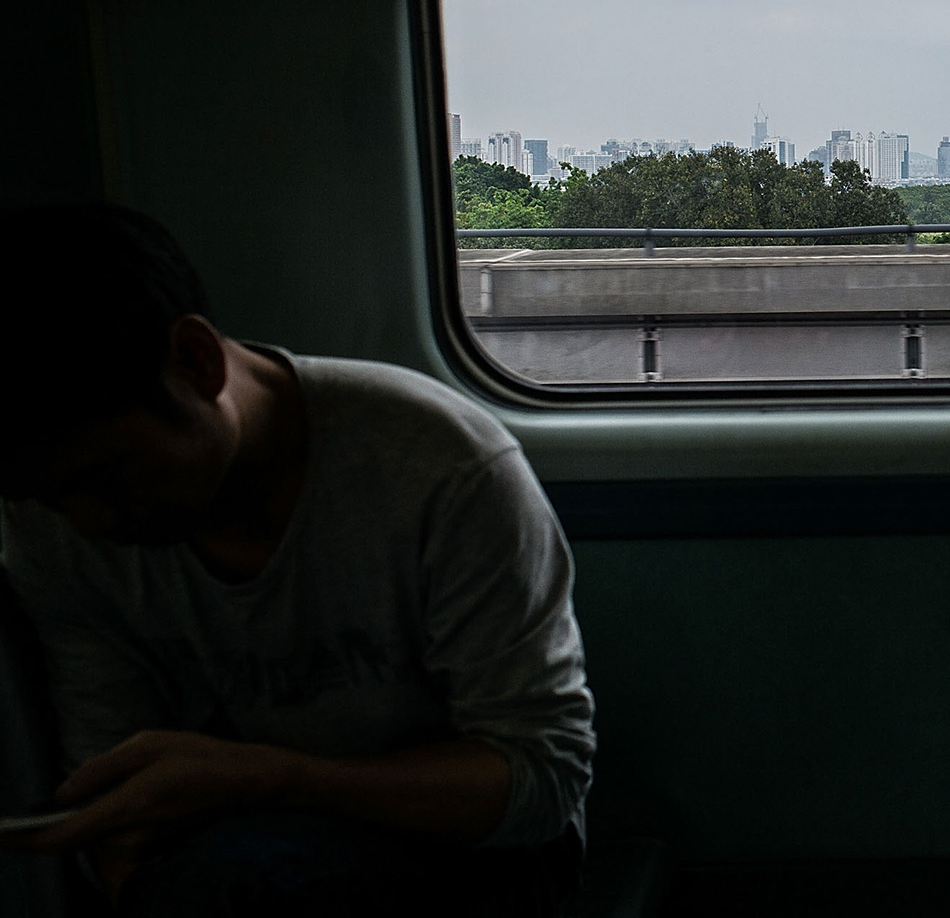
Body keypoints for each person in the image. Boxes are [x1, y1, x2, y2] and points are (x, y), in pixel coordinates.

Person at [0, 204, 594, 916]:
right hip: (235, 846)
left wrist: (265, 779)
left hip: (470, 844)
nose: (89, 522)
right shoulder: (47, 524)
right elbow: (114, 783)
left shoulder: (439, 467)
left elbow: (540, 783)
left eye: (107, 476)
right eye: (50, 498)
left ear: (197, 362)